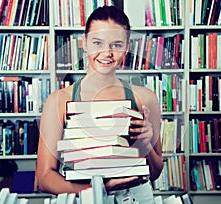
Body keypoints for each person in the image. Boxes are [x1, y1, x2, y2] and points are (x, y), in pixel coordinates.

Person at [36, 5, 163, 203]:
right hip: (85, 197)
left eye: (116, 45)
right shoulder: (58, 101)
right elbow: (44, 178)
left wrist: (146, 145)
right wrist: (98, 189)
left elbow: (155, 173)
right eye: (97, 43)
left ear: (127, 47)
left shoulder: (145, 98)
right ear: (84, 43)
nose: (107, 53)